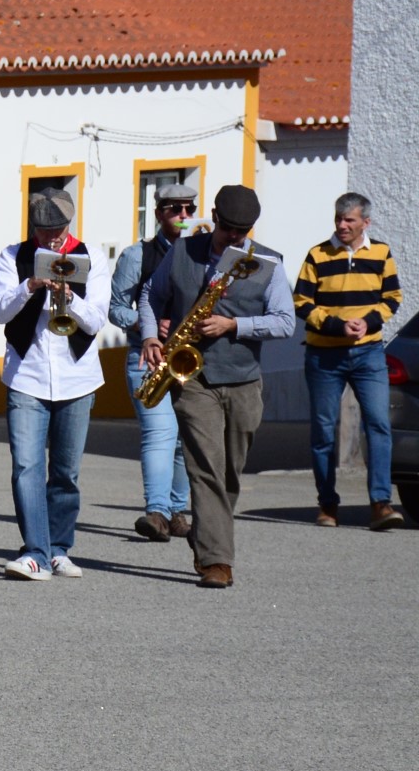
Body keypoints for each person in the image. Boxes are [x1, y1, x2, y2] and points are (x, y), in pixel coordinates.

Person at [140, 184, 293, 589]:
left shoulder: (269, 263)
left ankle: (209, 529)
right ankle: (216, 561)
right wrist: (149, 334)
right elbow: (150, 297)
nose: (234, 237)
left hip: (244, 379)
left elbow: (284, 322)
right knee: (205, 467)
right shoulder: (182, 251)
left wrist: (235, 325)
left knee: (230, 471)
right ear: (215, 218)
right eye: (227, 229)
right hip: (194, 380)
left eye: (242, 231)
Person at [0, 188, 110, 581]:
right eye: (43, 232)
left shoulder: (91, 258)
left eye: (57, 232)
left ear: (69, 225)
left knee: (65, 472)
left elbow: (94, 322)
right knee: (26, 466)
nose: (51, 240)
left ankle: (58, 548)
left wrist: (68, 297)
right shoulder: (13, 256)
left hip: (77, 377)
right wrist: (30, 286)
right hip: (27, 374)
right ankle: (35, 553)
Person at [295, 192, 406, 530]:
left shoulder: (382, 253)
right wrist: (336, 326)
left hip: (369, 354)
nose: (342, 225)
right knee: (324, 432)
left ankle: (381, 505)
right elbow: (301, 301)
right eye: (339, 219)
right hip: (324, 355)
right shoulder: (317, 254)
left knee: (378, 426)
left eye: (350, 220)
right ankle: (327, 505)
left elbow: (392, 298)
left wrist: (368, 322)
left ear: (365, 223)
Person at [107, 182, 196, 542]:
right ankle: (156, 512)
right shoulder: (136, 256)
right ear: (159, 214)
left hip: (190, 358)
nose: (184, 216)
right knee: (161, 433)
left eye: (189, 209)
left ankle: (177, 511)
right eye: (175, 209)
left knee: (184, 438)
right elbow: (114, 308)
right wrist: (145, 325)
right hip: (147, 356)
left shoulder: (201, 254)